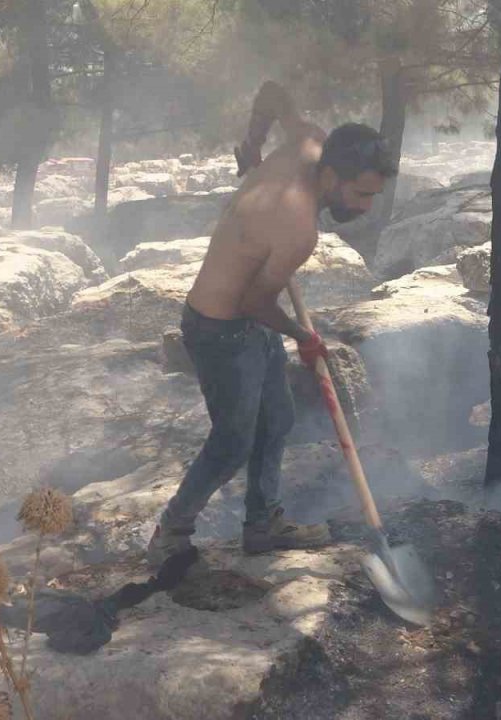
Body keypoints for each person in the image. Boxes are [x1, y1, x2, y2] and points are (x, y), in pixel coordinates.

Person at [146, 81, 397, 563]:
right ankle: (170, 531)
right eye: (362, 193)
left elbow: (273, 91)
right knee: (232, 441)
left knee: (276, 418)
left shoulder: (307, 140)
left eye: (374, 195)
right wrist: (303, 336)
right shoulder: (298, 224)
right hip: (219, 328)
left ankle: (263, 525)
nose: (366, 206)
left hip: (246, 321)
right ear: (331, 175)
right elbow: (255, 300)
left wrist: (254, 142)